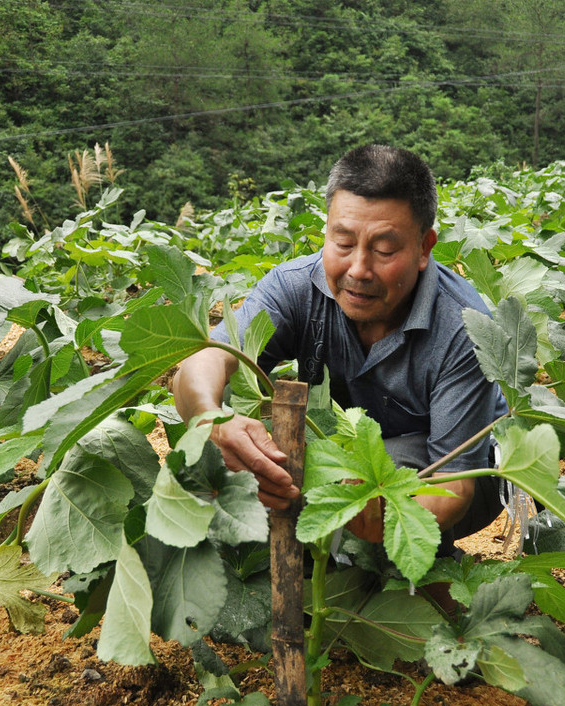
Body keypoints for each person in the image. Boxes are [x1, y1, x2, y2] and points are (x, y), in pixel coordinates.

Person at [171, 144, 505, 559]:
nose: (359, 269)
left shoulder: (465, 325)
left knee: (387, 469)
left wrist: (387, 515)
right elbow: (202, 363)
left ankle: (427, 582)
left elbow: (455, 486)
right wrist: (211, 418)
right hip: (342, 452)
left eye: (384, 250)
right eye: (343, 242)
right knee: (232, 455)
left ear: (424, 248)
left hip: (468, 469)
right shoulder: (294, 287)